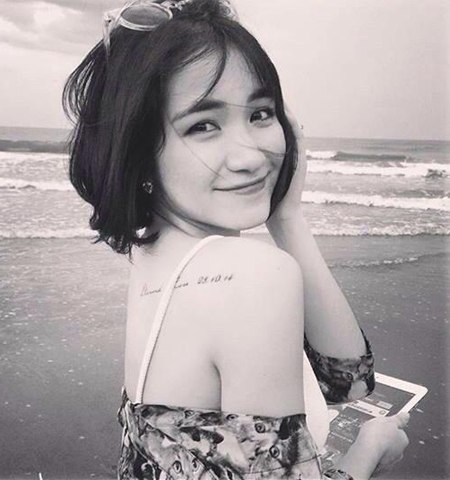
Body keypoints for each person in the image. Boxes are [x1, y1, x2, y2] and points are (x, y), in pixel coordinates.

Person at [63, 0, 410, 478]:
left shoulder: (156, 253)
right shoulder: (250, 276)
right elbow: (351, 393)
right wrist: (368, 452)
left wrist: (287, 218)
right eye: (203, 125)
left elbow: (348, 381)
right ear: (138, 152)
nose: (251, 156)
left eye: (261, 114)